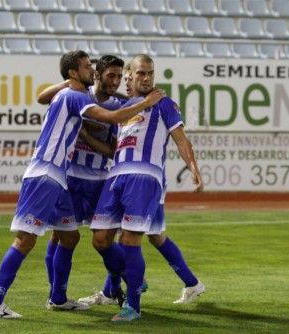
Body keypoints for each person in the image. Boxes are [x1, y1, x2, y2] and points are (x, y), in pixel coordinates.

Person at [0, 50, 163, 319]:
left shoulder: (67, 94)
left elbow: (45, 97)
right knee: (25, 239)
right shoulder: (75, 96)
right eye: (88, 67)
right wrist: (148, 102)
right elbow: (113, 118)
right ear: (74, 73)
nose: (92, 70)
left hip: (59, 177)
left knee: (70, 235)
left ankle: (59, 298)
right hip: (45, 173)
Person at [87, 54, 204, 322]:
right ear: (130, 74)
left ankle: (133, 305)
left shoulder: (163, 103)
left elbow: (181, 140)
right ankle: (132, 279)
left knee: (131, 240)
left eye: (150, 73)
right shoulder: (125, 108)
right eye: (141, 73)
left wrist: (194, 168)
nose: (146, 78)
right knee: (100, 239)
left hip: (144, 176)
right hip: (116, 176)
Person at [36, 55, 127, 305]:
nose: (116, 81)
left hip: (100, 181)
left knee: (105, 240)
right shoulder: (77, 94)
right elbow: (42, 97)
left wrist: (85, 135)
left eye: (119, 76)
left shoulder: (119, 106)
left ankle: (115, 289)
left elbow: (111, 151)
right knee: (60, 237)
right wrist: (66, 83)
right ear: (96, 74)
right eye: (111, 75)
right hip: (71, 179)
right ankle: (56, 294)